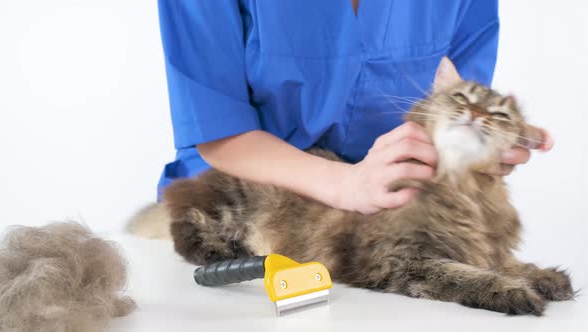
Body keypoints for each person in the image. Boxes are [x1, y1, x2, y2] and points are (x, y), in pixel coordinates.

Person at [156, 0, 552, 214]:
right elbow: (216, 127)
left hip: (395, 211)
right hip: (235, 210)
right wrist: (344, 183)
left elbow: (449, 106)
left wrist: (485, 145)